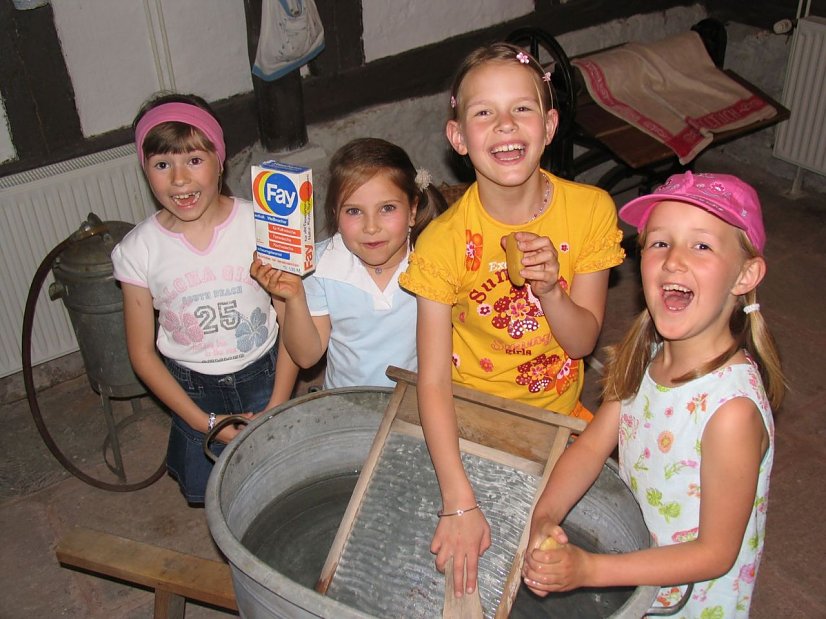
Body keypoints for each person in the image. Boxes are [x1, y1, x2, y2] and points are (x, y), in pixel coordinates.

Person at [399, 43, 625, 596]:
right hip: (472, 420)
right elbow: (432, 380)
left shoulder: (591, 210)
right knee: (457, 571)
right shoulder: (443, 243)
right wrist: (458, 500)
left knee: (545, 567)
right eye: (484, 113)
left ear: (548, 126)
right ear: (458, 138)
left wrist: (550, 289)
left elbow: (581, 342)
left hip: (559, 418)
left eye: (522, 109)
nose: (505, 125)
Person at [522, 171, 786, 618]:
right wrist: (544, 515)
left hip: (693, 605)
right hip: (642, 575)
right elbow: (590, 448)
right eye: (660, 243)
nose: (673, 261)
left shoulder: (731, 412)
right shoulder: (649, 357)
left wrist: (590, 570)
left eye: (701, 245)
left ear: (746, 274)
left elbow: (715, 553)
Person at [112, 92, 298, 505]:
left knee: (277, 480)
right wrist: (205, 421)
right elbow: (141, 354)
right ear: (145, 170)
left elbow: (292, 323)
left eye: (194, 160)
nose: (179, 179)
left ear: (220, 159)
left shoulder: (261, 224)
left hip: (265, 376)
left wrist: (278, 404)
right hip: (192, 392)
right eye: (163, 165)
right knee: (217, 493)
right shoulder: (138, 250)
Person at [250, 137, 447, 388]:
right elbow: (307, 357)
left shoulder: (433, 258)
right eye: (354, 211)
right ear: (335, 214)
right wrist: (295, 297)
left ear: (412, 210)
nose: (371, 227)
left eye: (387, 208)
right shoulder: (321, 265)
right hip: (347, 405)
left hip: (416, 404)